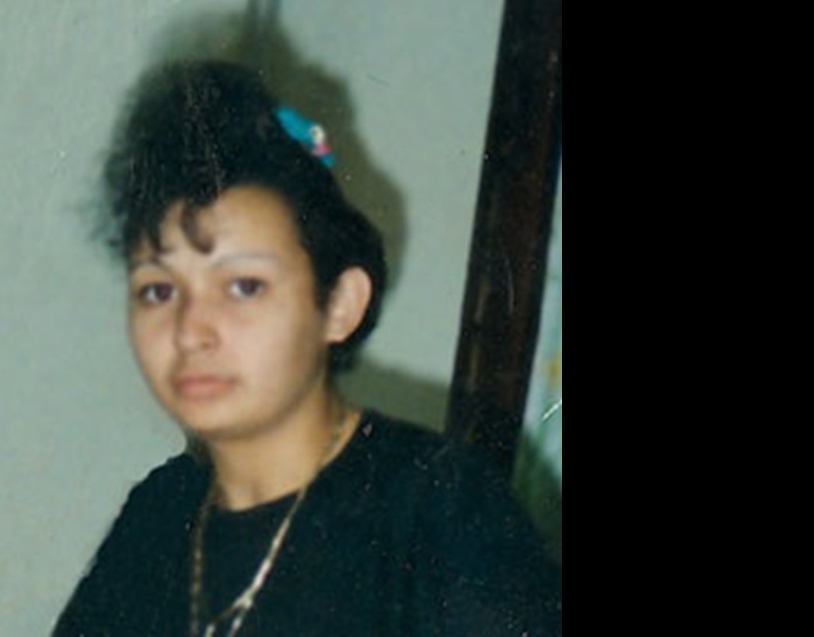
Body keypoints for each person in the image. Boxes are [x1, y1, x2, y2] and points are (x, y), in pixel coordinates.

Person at [53, 60, 561, 637]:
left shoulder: (438, 507)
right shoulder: (160, 514)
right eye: (158, 290)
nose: (190, 330)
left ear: (340, 304)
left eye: (244, 286)